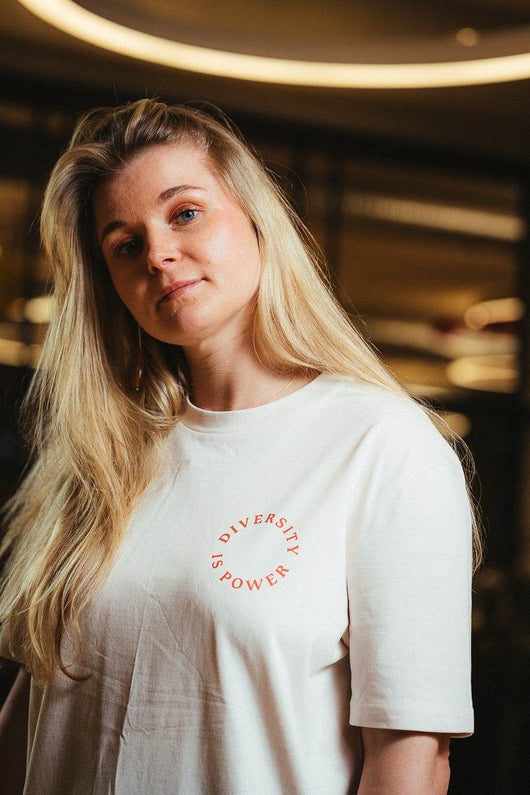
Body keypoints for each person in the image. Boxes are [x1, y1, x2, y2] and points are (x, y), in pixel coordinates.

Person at [0, 98, 479, 794]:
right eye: (125, 245)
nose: (158, 253)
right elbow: (35, 717)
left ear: (257, 220)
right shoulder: (105, 456)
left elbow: (411, 757)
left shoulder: (382, 445)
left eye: (186, 212)